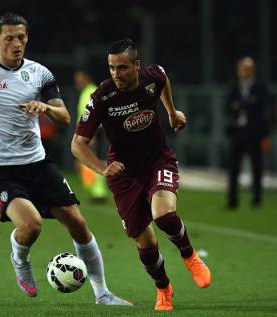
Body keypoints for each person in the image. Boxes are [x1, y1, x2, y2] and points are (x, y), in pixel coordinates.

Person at [0, 13, 131, 306]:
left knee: (78, 223)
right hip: (0, 171)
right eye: (9, 38)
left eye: (21, 37)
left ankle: (103, 294)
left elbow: (64, 117)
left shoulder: (40, 73)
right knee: (31, 225)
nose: (16, 43)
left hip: (37, 163)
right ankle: (19, 258)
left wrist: (44, 106)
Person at [71, 38, 211, 311]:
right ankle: (163, 289)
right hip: (123, 173)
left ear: (136, 65)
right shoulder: (102, 96)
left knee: (164, 215)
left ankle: (190, 255)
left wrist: (171, 111)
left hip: (159, 160)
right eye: (111, 68)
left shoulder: (152, 77)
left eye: (122, 68)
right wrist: (102, 169)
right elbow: (77, 144)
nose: (116, 74)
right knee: (143, 241)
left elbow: (163, 79)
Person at [225, 57, 269, 209]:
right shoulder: (234, 86)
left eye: (244, 68)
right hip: (238, 131)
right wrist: (247, 104)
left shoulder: (260, 87)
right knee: (233, 167)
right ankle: (232, 201)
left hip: (254, 132)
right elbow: (229, 105)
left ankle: (257, 199)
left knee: (256, 166)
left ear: (251, 70)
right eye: (240, 68)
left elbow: (258, 106)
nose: (241, 71)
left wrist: (241, 105)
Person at [73, 70, 108, 203]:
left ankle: (99, 192)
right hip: (88, 132)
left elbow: (92, 116)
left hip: (91, 132)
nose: (78, 82)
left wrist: (90, 136)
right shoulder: (87, 91)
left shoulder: (90, 92)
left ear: (87, 77)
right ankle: (96, 191)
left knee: (91, 160)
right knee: (88, 161)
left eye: (80, 79)